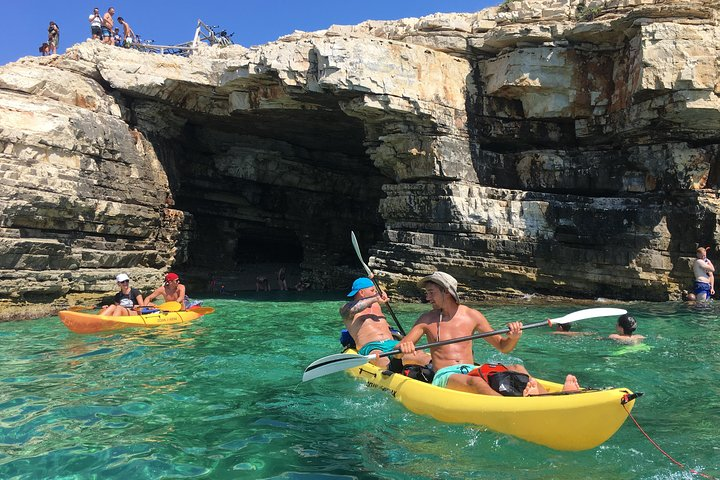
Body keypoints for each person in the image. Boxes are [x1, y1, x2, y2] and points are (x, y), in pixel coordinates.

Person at [398, 272, 580, 396]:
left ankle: (551, 397)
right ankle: (509, 407)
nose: (427, 297)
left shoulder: (472, 316)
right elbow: (399, 350)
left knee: (517, 369)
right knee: (476, 384)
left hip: (471, 371)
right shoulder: (426, 319)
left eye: (431, 292)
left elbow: (503, 347)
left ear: (447, 292)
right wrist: (404, 348)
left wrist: (513, 338)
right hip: (445, 376)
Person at [340, 277, 430, 370]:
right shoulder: (346, 309)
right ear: (362, 293)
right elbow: (353, 309)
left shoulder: (376, 305)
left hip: (392, 343)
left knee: (420, 355)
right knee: (382, 360)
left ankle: (433, 370)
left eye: (376, 290)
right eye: (372, 290)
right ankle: (392, 370)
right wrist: (375, 298)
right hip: (372, 347)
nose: (376, 292)